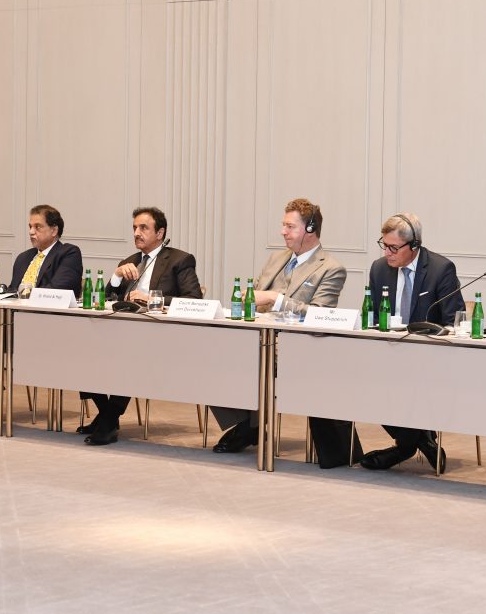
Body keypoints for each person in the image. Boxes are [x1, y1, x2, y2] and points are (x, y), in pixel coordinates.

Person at [210, 198, 360, 467]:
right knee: (212, 354)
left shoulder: (331, 268)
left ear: (310, 229)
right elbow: (256, 299)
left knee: (255, 362)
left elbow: (318, 313)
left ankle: (249, 427)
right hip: (258, 336)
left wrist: (274, 299)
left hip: (297, 346)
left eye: (290, 227)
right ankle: (249, 424)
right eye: (283, 225)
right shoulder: (276, 259)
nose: (283, 232)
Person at [80, 207, 202, 446]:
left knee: (129, 355)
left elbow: (194, 299)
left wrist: (152, 299)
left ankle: (108, 420)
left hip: (159, 335)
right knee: (83, 350)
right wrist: (116, 276)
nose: (137, 233)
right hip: (121, 332)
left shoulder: (180, 260)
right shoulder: (129, 262)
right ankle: (106, 414)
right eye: (135, 228)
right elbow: (105, 299)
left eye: (143, 228)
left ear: (160, 233)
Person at [0, 205, 82, 424]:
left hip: (49, 326)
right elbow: (14, 291)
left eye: (38, 227)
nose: (31, 232)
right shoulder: (24, 258)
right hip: (15, 322)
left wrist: (24, 296)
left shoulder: (68, 253)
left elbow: (60, 288)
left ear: (54, 230)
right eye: (30, 226)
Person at [358, 213, 463, 474]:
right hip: (388, 353)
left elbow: (454, 321)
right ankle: (420, 439)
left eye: (393, 248)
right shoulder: (379, 268)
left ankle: (404, 448)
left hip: (428, 358)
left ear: (414, 245)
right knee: (360, 380)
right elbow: (371, 316)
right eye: (384, 245)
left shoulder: (441, 269)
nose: (387, 253)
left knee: (401, 381)